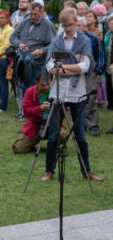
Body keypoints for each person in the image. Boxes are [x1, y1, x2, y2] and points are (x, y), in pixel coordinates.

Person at [41, 10, 103, 182]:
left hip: (78, 92)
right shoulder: (57, 42)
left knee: (80, 135)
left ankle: (86, 171)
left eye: (70, 25)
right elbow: (50, 67)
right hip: (58, 92)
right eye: (65, 26)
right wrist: (74, 65)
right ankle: (49, 170)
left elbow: (86, 65)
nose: (67, 28)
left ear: (76, 22)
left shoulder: (84, 41)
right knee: (53, 133)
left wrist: (64, 68)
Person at [10, 1, 56, 118]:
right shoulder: (25, 21)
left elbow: (53, 44)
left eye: (35, 14)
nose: (32, 17)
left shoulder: (47, 25)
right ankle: (24, 112)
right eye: (31, 14)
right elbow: (12, 37)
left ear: (42, 11)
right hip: (23, 61)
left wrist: (41, 50)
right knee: (21, 88)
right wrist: (20, 45)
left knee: (33, 90)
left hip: (37, 64)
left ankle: (36, 114)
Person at [12, 71, 67, 153]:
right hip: (36, 126)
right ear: (36, 83)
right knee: (18, 149)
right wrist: (40, 108)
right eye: (42, 85)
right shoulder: (30, 92)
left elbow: (63, 113)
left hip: (53, 125)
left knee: (64, 135)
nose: (46, 87)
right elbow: (26, 111)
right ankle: (32, 144)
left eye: (48, 84)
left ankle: (54, 144)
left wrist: (54, 108)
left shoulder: (55, 92)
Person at [77, 17, 104, 137]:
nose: (76, 28)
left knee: (91, 99)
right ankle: (80, 123)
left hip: (90, 73)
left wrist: (96, 71)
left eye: (78, 25)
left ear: (84, 26)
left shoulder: (93, 38)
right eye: (74, 25)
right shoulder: (71, 39)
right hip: (75, 73)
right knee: (77, 98)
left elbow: (100, 56)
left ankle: (93, 124)